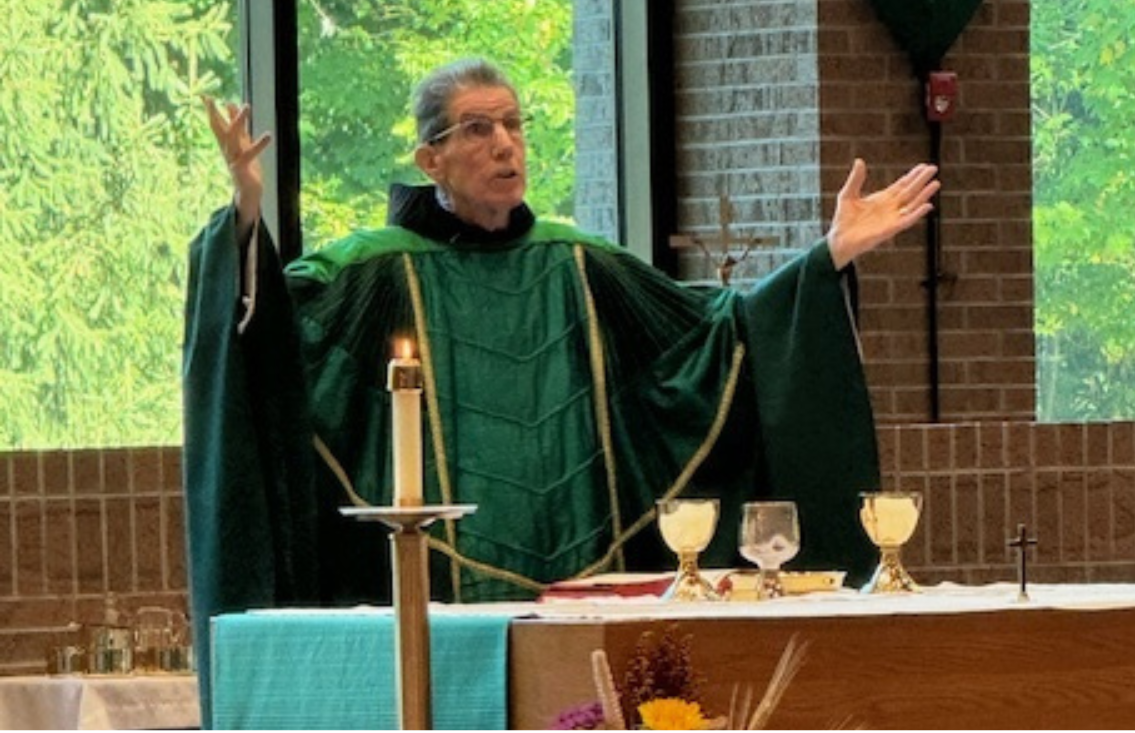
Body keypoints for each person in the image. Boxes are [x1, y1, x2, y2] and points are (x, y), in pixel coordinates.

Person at [184, 57, 939, 721]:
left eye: (513, 124)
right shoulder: (371, 272)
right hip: (433, 607)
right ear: (429, 157)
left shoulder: (581, 265)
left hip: (582, 608)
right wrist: (247, 213)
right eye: (478, 129)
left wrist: (828, 254)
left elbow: (720, 332)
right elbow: (268, 343)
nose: (506, 144)